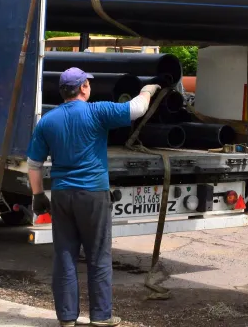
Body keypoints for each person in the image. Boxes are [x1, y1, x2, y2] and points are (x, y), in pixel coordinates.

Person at [26, 67, 161, 327]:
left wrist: (38, 195)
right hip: (93, 194)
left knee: (64, 254)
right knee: (98, 255)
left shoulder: (47, 121)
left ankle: (67, 318)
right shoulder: (97, 111)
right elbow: (136, 109)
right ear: (84, 88)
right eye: (88, 83)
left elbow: (33, 164)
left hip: (62, 195)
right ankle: (101, 316)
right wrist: (149, 89)